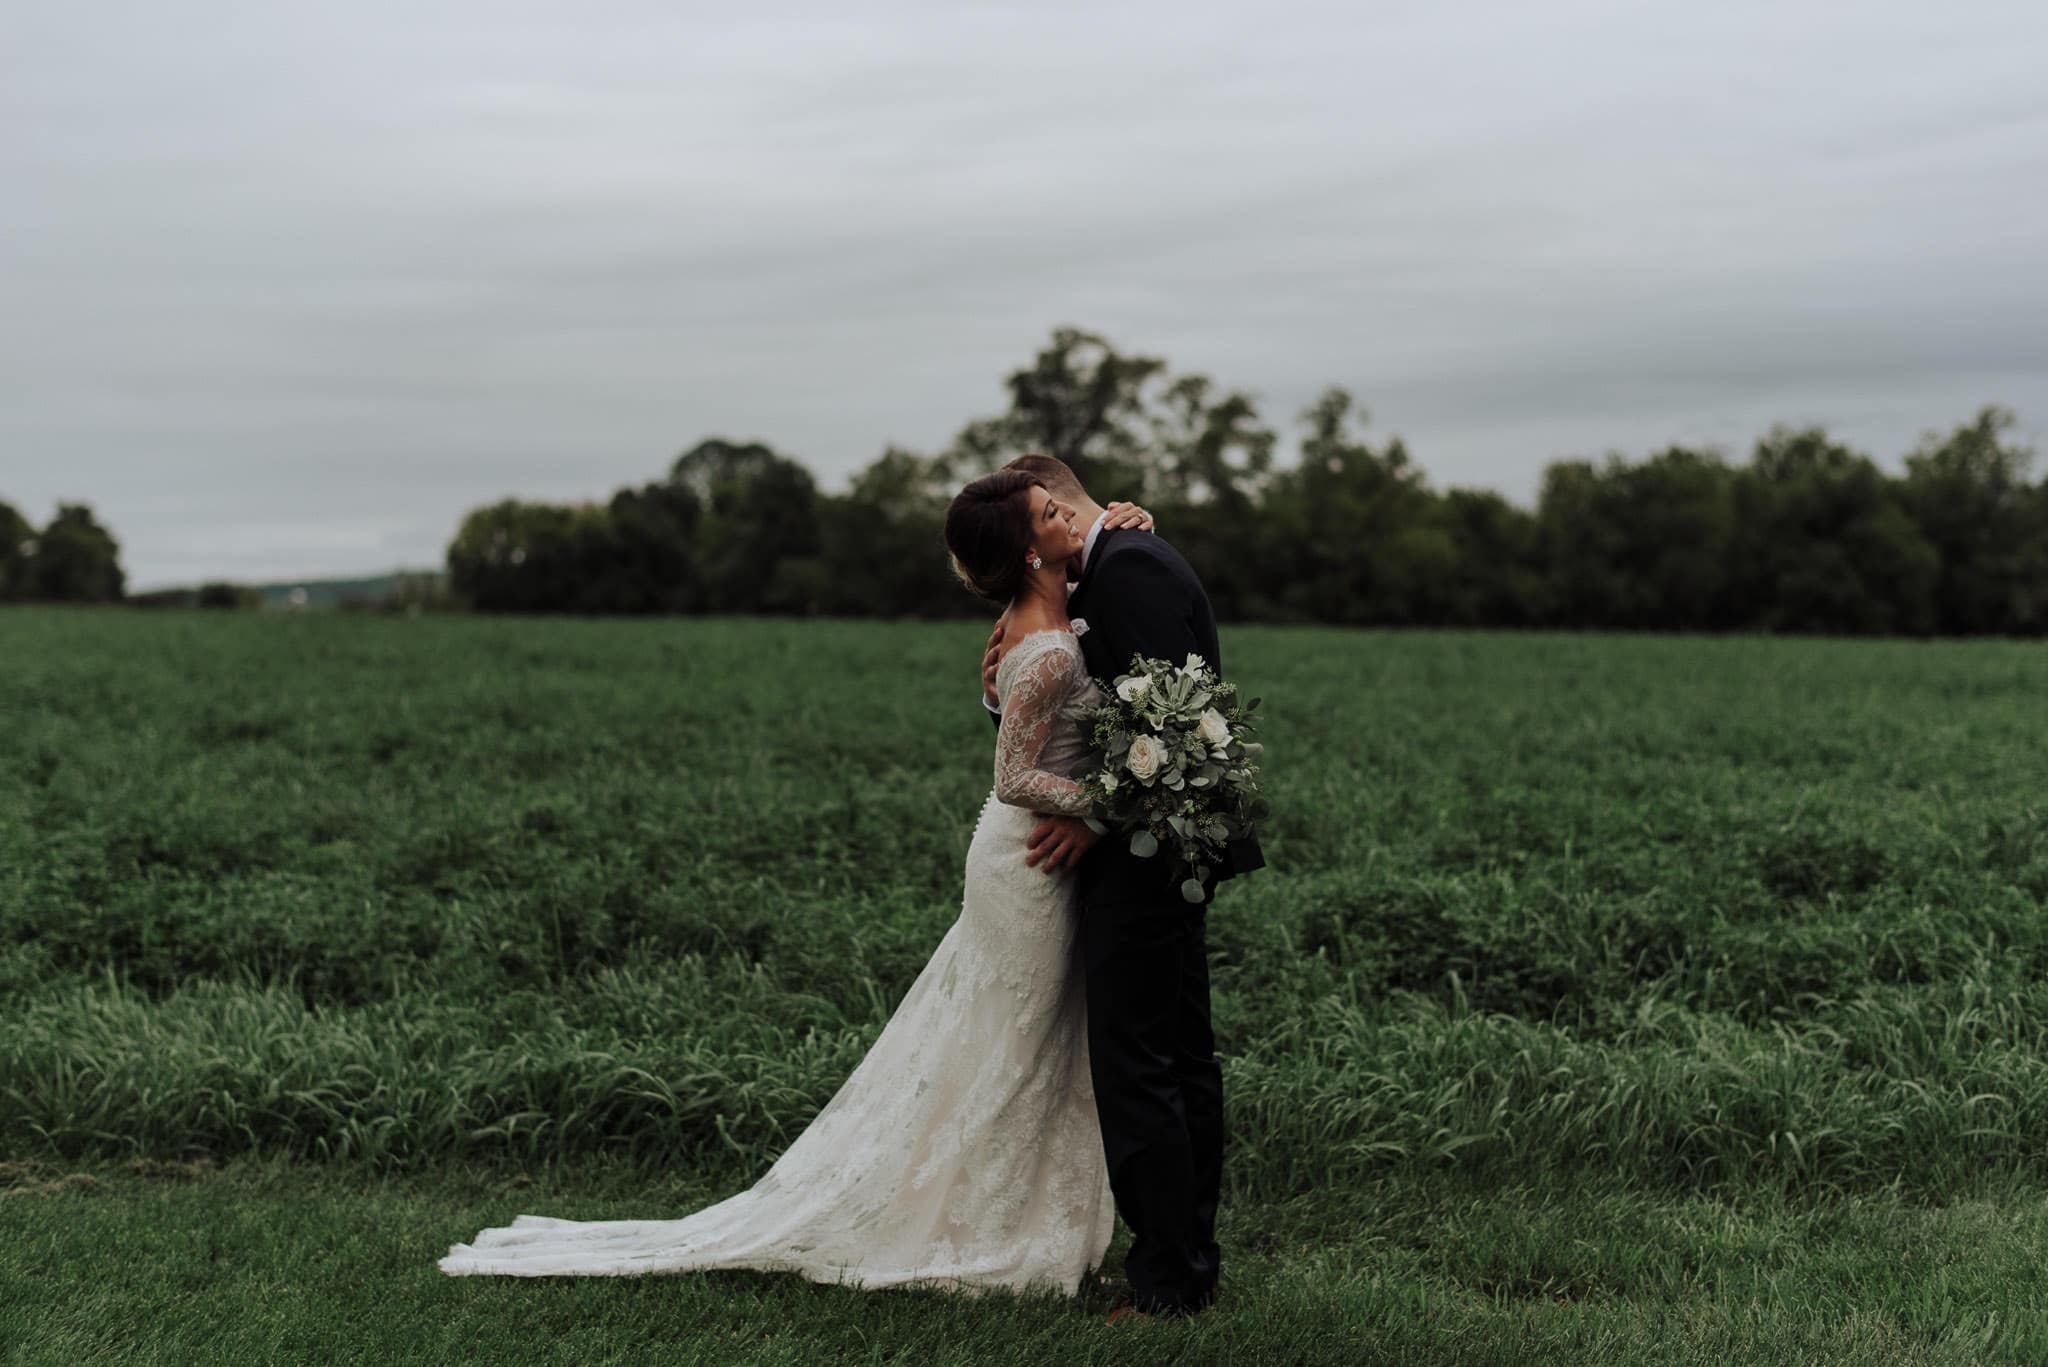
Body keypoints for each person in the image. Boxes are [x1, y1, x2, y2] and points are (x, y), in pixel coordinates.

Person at [437, 471, 1157, 1300]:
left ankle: (1016, 1214)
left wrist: (1131, 520)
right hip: (1027, 862)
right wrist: (1112, 798)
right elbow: (1014, 778)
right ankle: (985, 1224)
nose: (1070, 515)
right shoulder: (1040, 646)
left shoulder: (1044, 609)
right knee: (1012, 1042)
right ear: (1030, 548)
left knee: (1022, 1039)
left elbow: (1085, 600)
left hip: (1037, 859)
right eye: (1049, 513)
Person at [979, 452, 1264, 1320]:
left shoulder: (1129, 563)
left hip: (1148, 855)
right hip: (1150, 848)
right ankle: (1185, 1262)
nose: (1051, 530)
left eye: (1041, 512)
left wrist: (1099, 814)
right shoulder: (1099, 569)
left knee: (1143, 1066)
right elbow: (1090, 700)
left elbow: (1179, 722)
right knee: (1172, 1056)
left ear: (1057, 505)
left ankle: (1169, 1282)